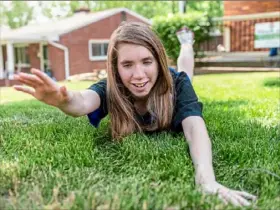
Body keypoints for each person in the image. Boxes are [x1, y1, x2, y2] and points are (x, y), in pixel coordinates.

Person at [13, 21, 256, 207]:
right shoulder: (112, 87)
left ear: (159, 61)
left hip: (175, 81)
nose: (138, 75)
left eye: (147, 61)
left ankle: (186, 43)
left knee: (186, 74)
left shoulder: (176, 84)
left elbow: (194, 127)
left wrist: (206, 179)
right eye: (127, 65)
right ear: (115, 68)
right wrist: (63, 100)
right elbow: (83, 102)